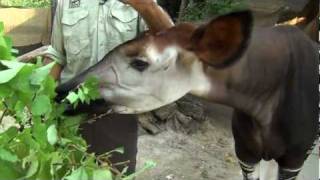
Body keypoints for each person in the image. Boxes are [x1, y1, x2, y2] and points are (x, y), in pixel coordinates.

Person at [43, 0, 146, 174]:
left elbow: (163, 52)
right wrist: (42, 101)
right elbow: (57, 55)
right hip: (72, 114)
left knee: (118, 172)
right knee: (73, 171)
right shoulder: (66, 3)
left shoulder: (144, 4)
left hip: (119, 116)